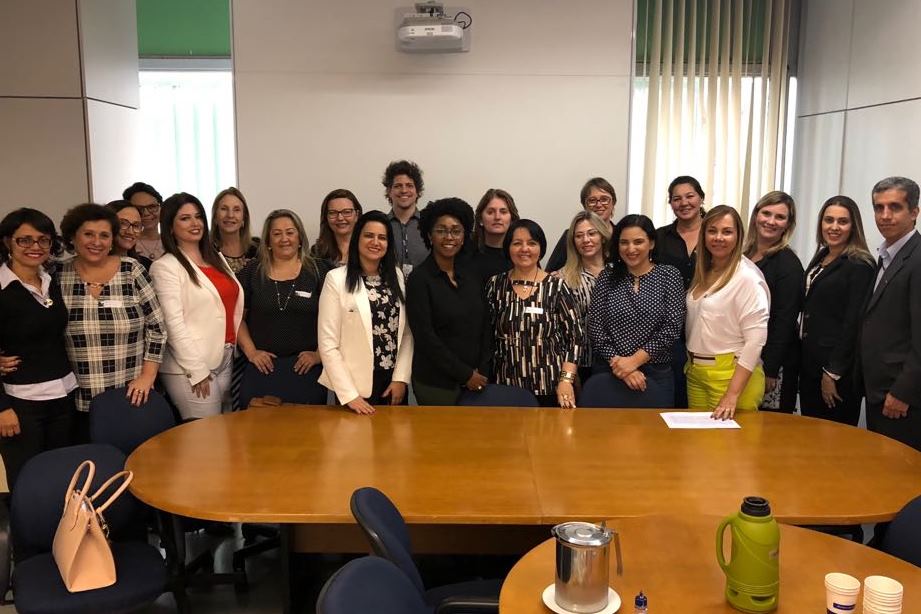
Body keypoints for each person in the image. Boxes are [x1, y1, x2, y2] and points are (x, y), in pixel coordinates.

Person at [57, 204, 166, 439]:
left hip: (132, 393)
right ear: (73, 236)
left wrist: (148, 376)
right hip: (77, 398)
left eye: (104, 235)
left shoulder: (132, 270)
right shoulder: (57, 275)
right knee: (93, 466)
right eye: (88, 234)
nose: (97, 242)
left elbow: (157, 329)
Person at [0, 208, 75, 490]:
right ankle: (29, 535)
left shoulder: (52, 281)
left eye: (42, 240)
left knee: (62, 478)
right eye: (24, 240)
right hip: (20, 403)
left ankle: (63, 535)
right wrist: (1, 408)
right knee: (27, 481)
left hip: (64, 393)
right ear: (8, 242)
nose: (35, 247)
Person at [151, 193, 243, 420]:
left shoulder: (216, 259)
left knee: (224, 433)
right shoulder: (165, 267)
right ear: (170, 227)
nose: (195, 223)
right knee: (205, 438)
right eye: (185, 218)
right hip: (191, 367)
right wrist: (197, 371)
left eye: (198, 216)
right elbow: (173, 324)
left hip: (225, 357)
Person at [318, 211, 413, 414]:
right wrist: (349, 395)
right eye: (369, 235)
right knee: (355, 444)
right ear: (357, 238)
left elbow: (405, 333)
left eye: (382, 237)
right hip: (354, 387)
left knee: (394, 444)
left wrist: (400, 378)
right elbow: (328, 344)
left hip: (392, 384)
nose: (375, 242)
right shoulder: (336, 279)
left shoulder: (396, 275)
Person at [588, 215, 685, 406]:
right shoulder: (607, 276)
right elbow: (595, 326)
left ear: (652, 243)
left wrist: (633, 362)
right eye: (624, 242)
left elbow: (672, 328)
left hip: (656, 372)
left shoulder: (669, 275)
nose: (630, 249)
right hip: (609, 370)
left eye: (638, 242)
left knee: (655, 433)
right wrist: (622, 366)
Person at [236, 210, 329, 407]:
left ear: (300, 237)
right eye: (277, 233)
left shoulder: (320, 271)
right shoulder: (251, 272)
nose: (284, 239)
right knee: (254, 431)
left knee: (306, 433)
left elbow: (336, 320)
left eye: (290, 232)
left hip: (306, 369)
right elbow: (237, 319)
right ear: (268, 241)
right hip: (262, 368)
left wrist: (319, 354)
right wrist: (252, 352)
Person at [486, 219, 582, 407]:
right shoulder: (495, 285)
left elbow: (575, 339)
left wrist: (566, 380)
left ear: (541, 247)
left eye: (532, 243)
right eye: (517, 243)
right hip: (505, 386)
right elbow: (486, 334)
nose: (525, 249)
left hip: (550, 386)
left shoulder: (557, 286)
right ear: (508, 248)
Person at [686, 205, 770, 419]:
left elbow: (755, 342)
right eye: (712, 231)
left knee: (731, 449)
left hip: (731, 376)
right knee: (697, 447)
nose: (718, 237)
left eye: (727, 232)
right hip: (696, 372)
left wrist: (732, 394)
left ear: (738, 235)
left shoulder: (747, 277)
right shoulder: (705, 270)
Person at [406, 198, 491, 405]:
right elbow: (426, 337)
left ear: (463, 237)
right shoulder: (420, 279)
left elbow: (485, 324)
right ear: (429, 235)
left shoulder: (471, 275)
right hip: (436, 384)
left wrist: (482, 369)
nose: (449, 237)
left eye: (456, 230)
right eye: (441, 230)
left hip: (477, 378)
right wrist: (465, 375)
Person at [799, 196, 875, 425]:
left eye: (842, 221)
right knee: (810, 434)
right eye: (828, 220)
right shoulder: (823, 256)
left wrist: (832, 373)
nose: (834, 227)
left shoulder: (859, 265)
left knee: (833, 444)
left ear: (854, 227)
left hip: (834, 372)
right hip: (810, 363)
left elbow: (853, 324)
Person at [860, 176, 921, 452]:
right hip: (879, 390)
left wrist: (902, 392)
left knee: (901, 483)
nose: (885, 215)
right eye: (878, 207)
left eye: (894, 207)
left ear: (914, 212)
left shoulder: (917, 259)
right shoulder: (886, 255)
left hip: (901, 397)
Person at [742, 191, 805, 413]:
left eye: (780, 217)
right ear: (755, 216)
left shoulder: (788, 264)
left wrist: (770, 369)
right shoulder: (744, 254)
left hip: (773, 364)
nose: (770, 221)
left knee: (768, 432)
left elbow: (784, 321)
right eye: (766, 213)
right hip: (746, 356)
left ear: (788, 224)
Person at [657, 175, 706, 408]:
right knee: (676, 393)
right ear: (670, 203)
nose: (683, 203)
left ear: (701, 198)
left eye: (690, 196)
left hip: (707, 323)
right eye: (676, 199)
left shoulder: (715, 234)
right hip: (670, 328)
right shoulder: (659, 237)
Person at [554, 210, 611, 383]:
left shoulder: (619, 273)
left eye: (592, 233)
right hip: (579, 363)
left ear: (602, 236)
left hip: (616, 359)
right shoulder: (561, 278)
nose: (586, 240)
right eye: (579, 236)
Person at [546, 177, 617, 272]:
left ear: (613, 202)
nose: (599, 205)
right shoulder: (571, 235)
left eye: (604, 199)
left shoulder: (622, 235)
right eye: (592, 200)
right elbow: (551, 272)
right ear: (584, 205)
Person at [383, 160, 428, 275]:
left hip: (424, 290)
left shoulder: (429, 223)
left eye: (409, 185)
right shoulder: (381, 225)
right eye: (398, 186)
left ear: (417, 191)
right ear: (389, 191)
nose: (404, 190)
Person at [470, 188, 520, 282]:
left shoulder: (522, 253)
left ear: (512, 219)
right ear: (480, 219)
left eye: (503, 212)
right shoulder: (466, 251)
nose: (497, 217)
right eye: (490, 212)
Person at [211, 187, 259, 274]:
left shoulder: (257, 250)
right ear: (215, 217)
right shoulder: (206, 252)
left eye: (236, 210)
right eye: (224, 209)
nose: (230, 215)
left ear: (244, 218)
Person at [312, 189, 363, 268]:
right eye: (333, 213)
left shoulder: (369, 249)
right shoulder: (316, 253)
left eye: (347, 212)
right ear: (326, 217)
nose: (340, 218)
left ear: (357, 215)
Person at [105, 200, 153, 270]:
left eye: (136, 225)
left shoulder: (145, 265)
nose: (130, 232)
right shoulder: (92, 263)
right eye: (123, 223)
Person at [123, 181, 165, 260]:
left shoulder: (173, 242)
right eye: (139, 209)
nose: (146, 213)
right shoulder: (125, 244)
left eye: (152, 207)